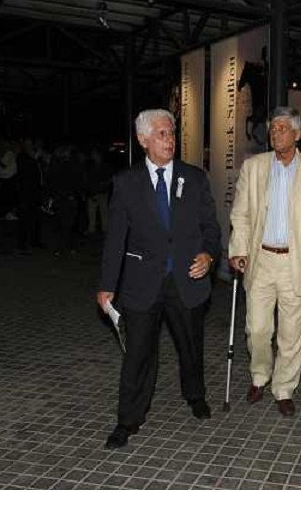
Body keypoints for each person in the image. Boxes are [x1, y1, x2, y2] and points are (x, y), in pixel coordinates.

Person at [97, 109, 221, 449]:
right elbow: (116, 239)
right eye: (162, 134)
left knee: (190, 345)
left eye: (172, 133)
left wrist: (209, 256)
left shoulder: (194, 178)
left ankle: (195, 395)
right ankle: (127, 420)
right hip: (142, 281)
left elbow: (211, 228)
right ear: (143, 140)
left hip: (186, 280)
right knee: (138, 353)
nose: (170, 140)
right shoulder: (126, 183)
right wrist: (107, 285)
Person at [229, 106, 301, 417]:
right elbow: (241, 213)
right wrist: (238, 249)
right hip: (261, 260)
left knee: (292, 334)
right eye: (273, 128)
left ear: (298, 134)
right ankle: (260, 375)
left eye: (283, 128)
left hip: (297, 263)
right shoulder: (255, 167)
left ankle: (284, 388)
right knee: (257, 329)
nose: (276, 133)